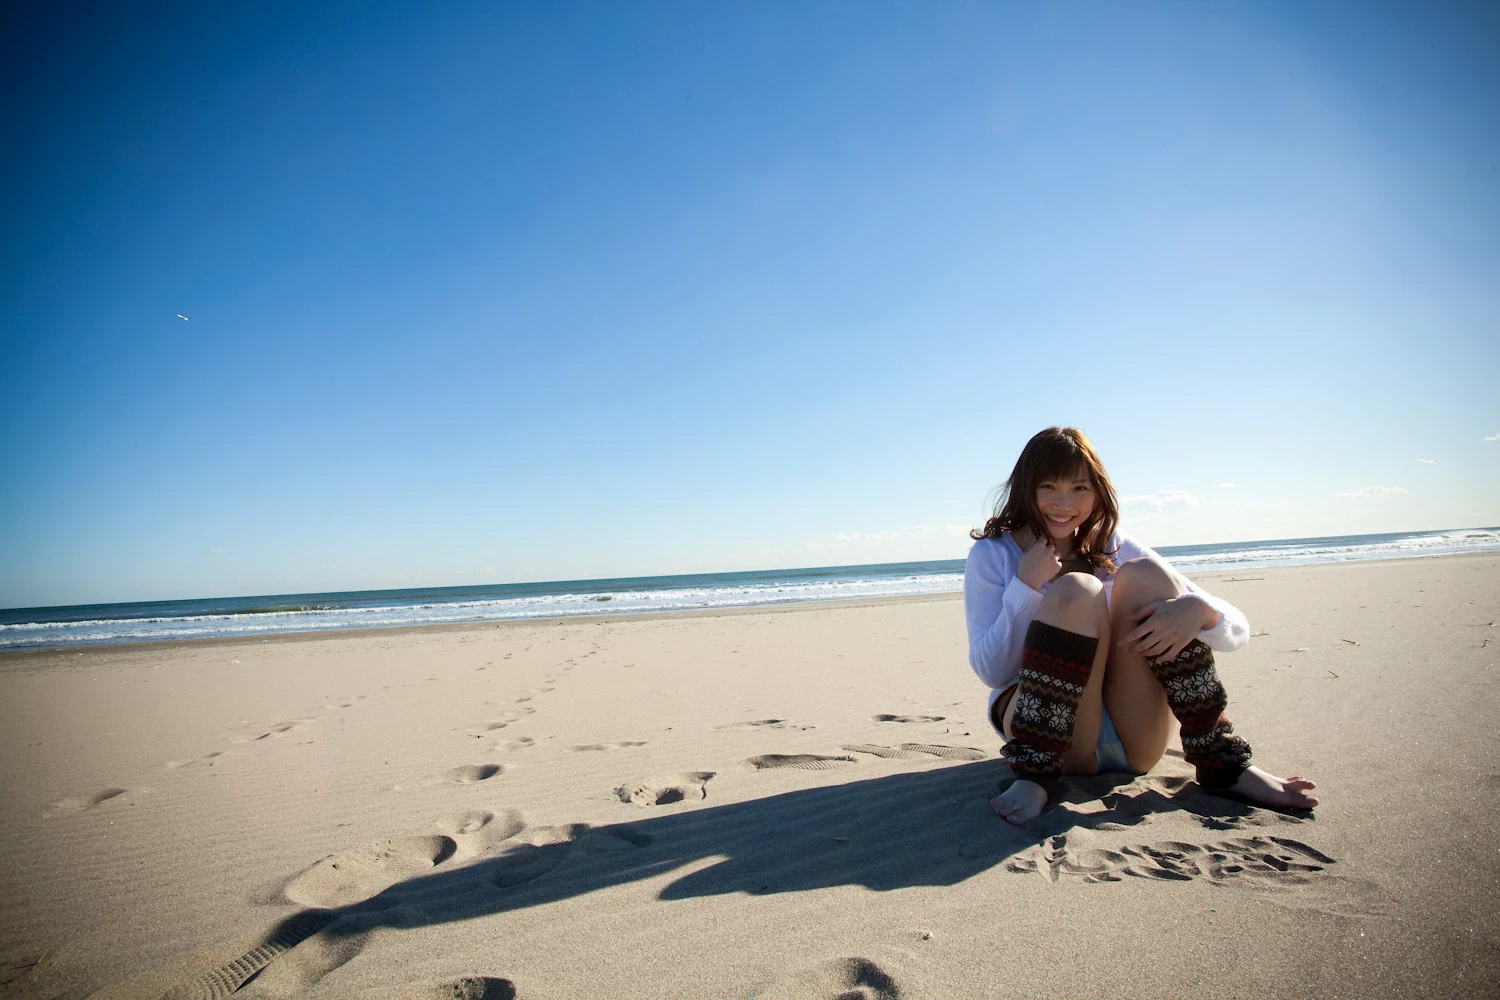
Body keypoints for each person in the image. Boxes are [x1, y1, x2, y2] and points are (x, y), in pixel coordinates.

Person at [964, 426, 1318, 825]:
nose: (1064, 504)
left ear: (1098, 492)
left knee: (1149, 575)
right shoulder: (994, 555)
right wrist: (1025, 586)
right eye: (1049, 487)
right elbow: (992, 671)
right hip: (1046, 738)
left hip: (1133, 738)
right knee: (1077, 589)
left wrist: (1199, 611)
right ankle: (1035, 777)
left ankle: (1220, 762)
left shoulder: (1111, 544)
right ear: (1025, 488)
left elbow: (1237, 628)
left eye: (1080, 488)